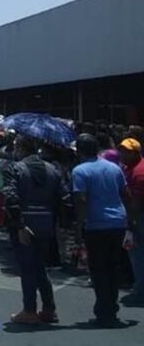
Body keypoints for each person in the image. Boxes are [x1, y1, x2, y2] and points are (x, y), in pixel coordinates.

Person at [3, 136, 67, 325]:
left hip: (25, 223)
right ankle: (49, 309)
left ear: (21, 148)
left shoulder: (15, 168)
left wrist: (19, 224)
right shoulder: (52, 169)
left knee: (27, 268)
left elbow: (11, 197)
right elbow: (64, 196)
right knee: (40, 266)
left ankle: (29, 310)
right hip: (46, 223)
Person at [72, 133, 133, 327]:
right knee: (112, 268)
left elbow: (81, 201)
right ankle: (111, 308)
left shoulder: (80, 171)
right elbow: (126, 194)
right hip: (118, 222)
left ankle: (103, 312)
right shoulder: (114, 168)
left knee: (98, 270)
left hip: (97, 224)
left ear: (79, 151)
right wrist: (130, 221)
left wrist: (79, 227)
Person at [118, 138, 144, 304]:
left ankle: (140, 290)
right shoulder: (128, 168)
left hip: (138, 218)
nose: (122, 155)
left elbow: (136, 202)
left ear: (135, 153)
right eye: (121, 151)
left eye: (126, 152)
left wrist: (131, 222)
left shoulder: (139, 172)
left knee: (138, 255)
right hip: (134, 216)